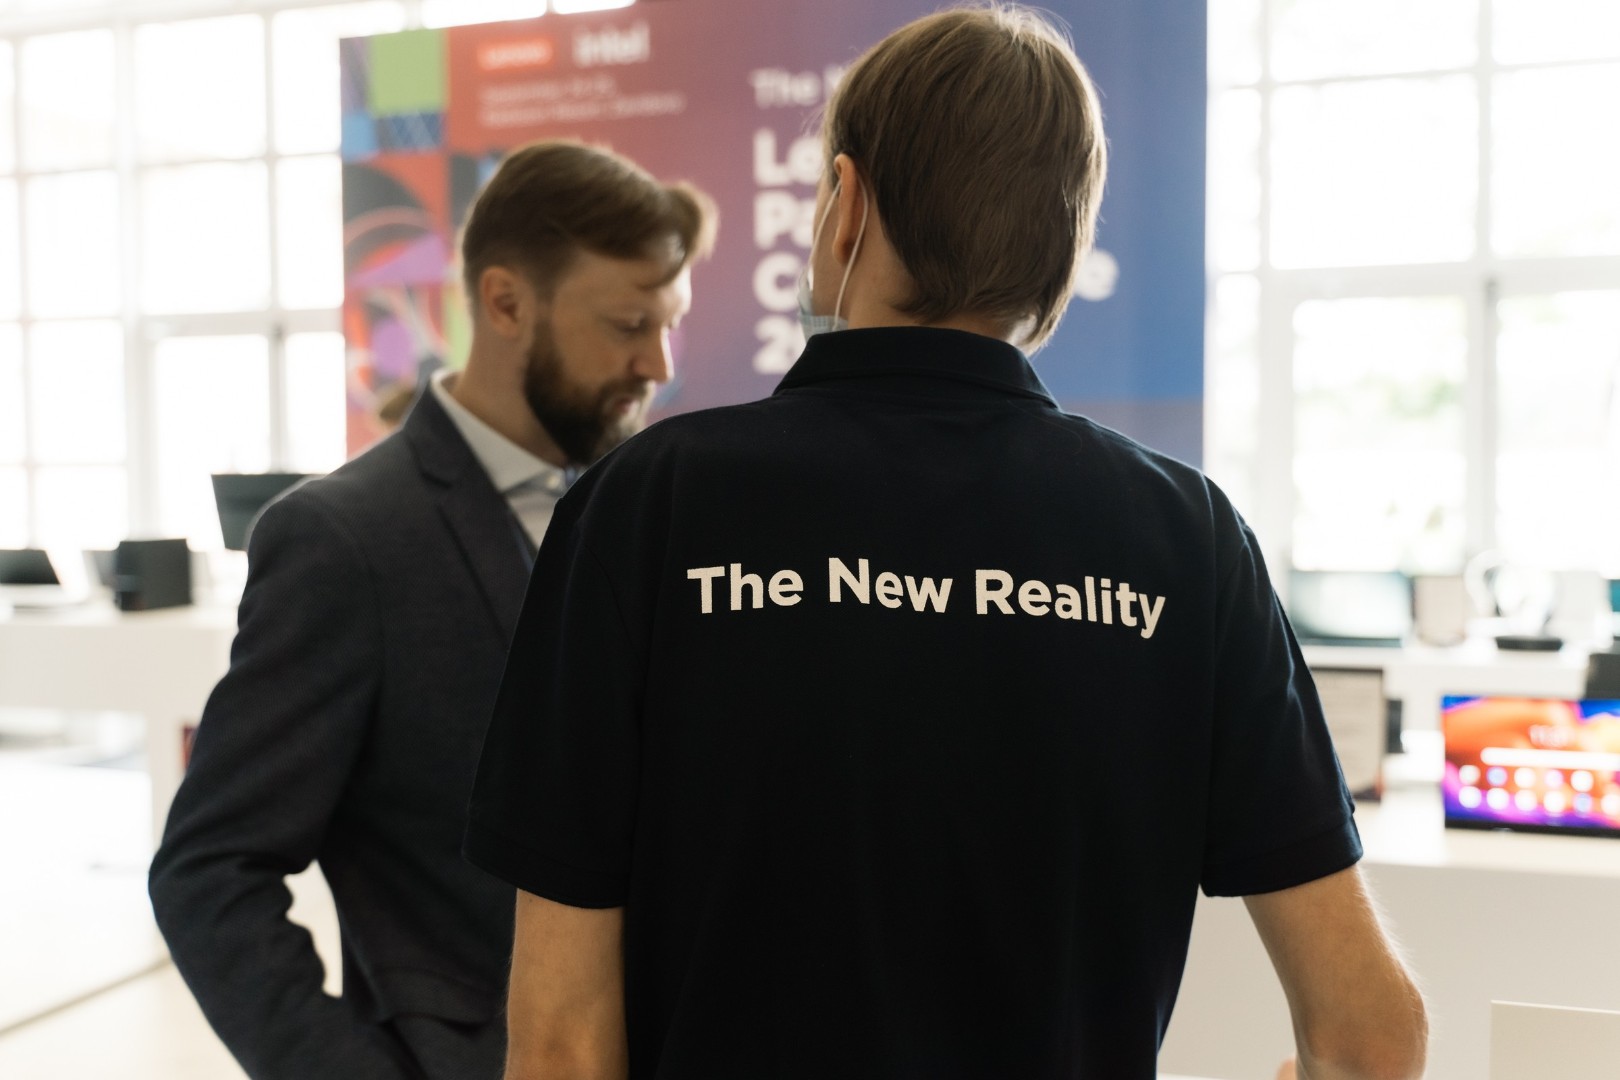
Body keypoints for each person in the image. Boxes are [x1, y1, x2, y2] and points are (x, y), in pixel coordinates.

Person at [464, 8, 1426, 1080]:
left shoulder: (649, 506)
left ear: (846, 206)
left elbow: (560, 1040)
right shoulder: (1188, 542)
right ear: (1064, 252)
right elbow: (1371, 1038)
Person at [149, 140, 715, 1080]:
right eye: (627, 323)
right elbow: (209, 872)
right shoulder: (344, 541)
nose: (656, 362)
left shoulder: (651, 510)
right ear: (505, 303)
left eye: (669, 324)